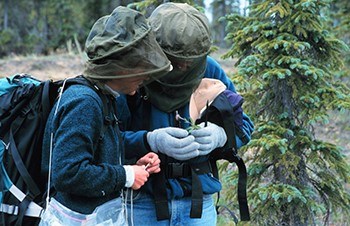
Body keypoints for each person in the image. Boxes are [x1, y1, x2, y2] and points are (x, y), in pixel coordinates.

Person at [121, 3, 255, 225]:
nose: (184, 66)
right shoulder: (136, 72)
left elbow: (243, 127)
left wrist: (219, 136)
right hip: (142, 201)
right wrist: (149, 141)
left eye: (189, 63)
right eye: (176, 62)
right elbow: (105, 139)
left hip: (198, 203)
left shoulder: (208, 69)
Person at [40, 6, 172, 225]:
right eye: (141, 68)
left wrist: (133, 165)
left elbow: (95, 153)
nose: (146, 76)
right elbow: (68, 173)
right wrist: (127, 175)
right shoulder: (85, 102)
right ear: (120, 68)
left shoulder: (104, 96)